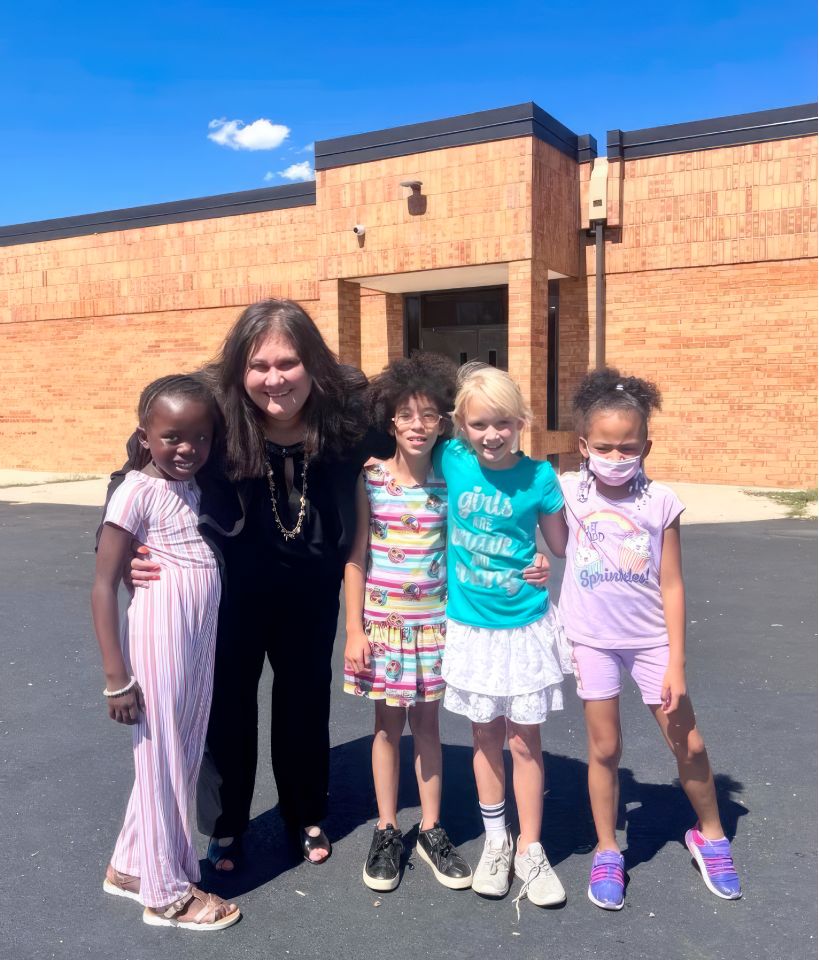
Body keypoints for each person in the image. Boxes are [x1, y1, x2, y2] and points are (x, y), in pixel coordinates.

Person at [116, 299, 395, 871]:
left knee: (303, 704)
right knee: (227, 708)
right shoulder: (212, 416)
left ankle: (305, 812)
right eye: (259, 365)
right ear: (239, 370)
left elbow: (419, 441)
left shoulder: (345, 418)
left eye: (288, 363)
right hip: (230, 591)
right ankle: (226, 827)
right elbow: (136, 464)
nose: (274, 379)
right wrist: (118, 550)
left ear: (313, 364)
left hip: (312, 591)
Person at [559, 368, 742, 910]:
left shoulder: (661, 502)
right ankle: (608, 849)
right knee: (605, 748)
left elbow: (672, 582)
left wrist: (677, 663)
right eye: (606, 447)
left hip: (652, 643)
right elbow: (507, 474)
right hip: (591, 639)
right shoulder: (567, 491)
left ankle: (711, 836)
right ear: (583, 445)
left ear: (647, 447)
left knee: (689, 743)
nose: (617, 457)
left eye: (629, 448)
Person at [91, 374, 241, 931]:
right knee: (160, 761)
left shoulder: (198, 487)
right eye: (173, 437)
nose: (187, 449)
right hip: (159, 636)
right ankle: (165, 892)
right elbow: (103, 584)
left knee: (178, 755)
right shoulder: (135, 491)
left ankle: (130, 867)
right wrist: (116, 677)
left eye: (200, 438)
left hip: (198, 638)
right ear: (145, 435)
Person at [431, 364, 573, 913]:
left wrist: (541, 560)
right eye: (479, 424)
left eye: (504, 424)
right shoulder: (452, 460)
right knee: (485, 737)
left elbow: (559, 547)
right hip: (472, 629)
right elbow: (398, 441)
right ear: (462, 426)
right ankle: (497, 842)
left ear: (521, 422)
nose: (492, 435)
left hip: (524, 627)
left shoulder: (539, 477)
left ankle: (531, 850)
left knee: (524, 741)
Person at [342, 353, 473, 892]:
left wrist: (531, 563)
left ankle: (433, 828)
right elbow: (356, 556)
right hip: (383, 630)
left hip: (435, 630)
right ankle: (388, 827)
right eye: (405, 415)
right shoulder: (370, 479)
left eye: (429, 416)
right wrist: (354, 631)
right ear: (389, 420)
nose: (417, 426)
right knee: (386, 729)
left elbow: (478, 545)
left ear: (444, 421)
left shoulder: (452, 480)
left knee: (429, 728)